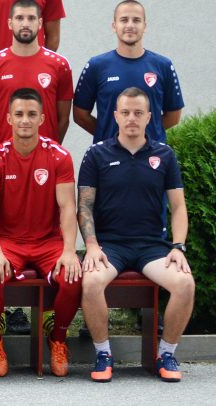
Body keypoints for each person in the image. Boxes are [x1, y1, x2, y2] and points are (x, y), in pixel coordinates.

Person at [78, 87, 194, 383]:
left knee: (184, 284)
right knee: (91, 282)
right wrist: (91, 245)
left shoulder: (164, 155)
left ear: (149, 117)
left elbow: (179, 208)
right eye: (126, 112)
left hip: (152, 247)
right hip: (110, 247)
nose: (132, 118)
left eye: (138, 113)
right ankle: (103, 354)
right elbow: (85, 207)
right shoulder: (96, 154)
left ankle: (166, 353)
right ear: (115, 116)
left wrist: (178, 247)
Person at [0, 88, 81, 378]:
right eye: (19, 114)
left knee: (72, 277)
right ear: (9, 118)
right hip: (9, 241)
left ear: (42, 119)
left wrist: (70, 250)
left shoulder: (59, 157)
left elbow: (67, 207)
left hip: (48, 241)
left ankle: (58, 339)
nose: (25, 120)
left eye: (31, 114)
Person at [73, 0, 184, 142]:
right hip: (107, 159)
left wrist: (143, 137)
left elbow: (173, 116)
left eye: (136, 20)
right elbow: (80, 115)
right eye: (124, 20)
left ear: (145, 26)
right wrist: (109, 137)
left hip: (151, 159)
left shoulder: (163, 66)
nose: (130, 25)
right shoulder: (96, 66)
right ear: (114, 26)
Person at [0, 0, 72, 149]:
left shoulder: (60, 65)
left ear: (40, 23)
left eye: (31, 18)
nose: (25, 24)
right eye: (19, 18)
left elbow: (63, 119)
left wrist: (50, 148)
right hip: (5, 157)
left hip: (45, 158)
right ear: (10, 23)